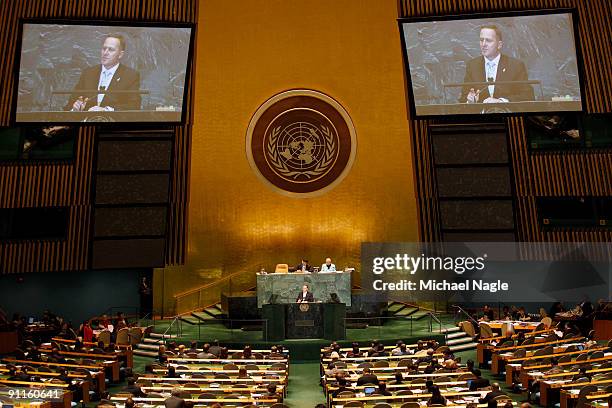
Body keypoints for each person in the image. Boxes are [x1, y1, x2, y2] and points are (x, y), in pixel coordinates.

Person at [66, 34, 141, 112]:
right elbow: (71, 103)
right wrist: (75, 108)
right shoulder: (88, 73)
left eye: (111, 50)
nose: (105, 53)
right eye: (104, 48)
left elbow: (134, 106)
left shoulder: (130, 76)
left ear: (120, 54)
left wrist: (106, 110)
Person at [460, 25, 534, 104]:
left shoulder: (515, 66)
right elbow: (463, 98)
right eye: (481, 40)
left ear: (499, 45)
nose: (483, 44)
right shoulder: (472, 66)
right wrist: (469, 100)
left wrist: (501, 101)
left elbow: (527, 96)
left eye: (488, 40)